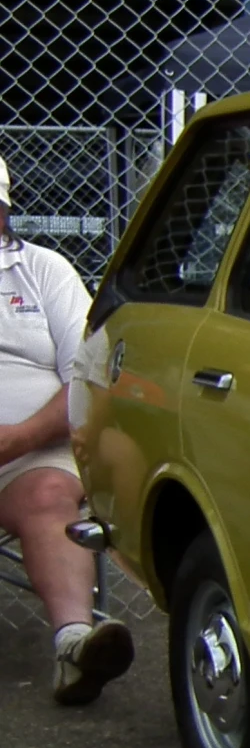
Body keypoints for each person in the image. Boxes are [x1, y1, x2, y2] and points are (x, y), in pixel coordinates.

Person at [0, 154, 134, 703]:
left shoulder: (43, 270)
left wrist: (19, 437)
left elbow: (85, 376)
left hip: (32, 456)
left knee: (51, 493)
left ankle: (75, 646)